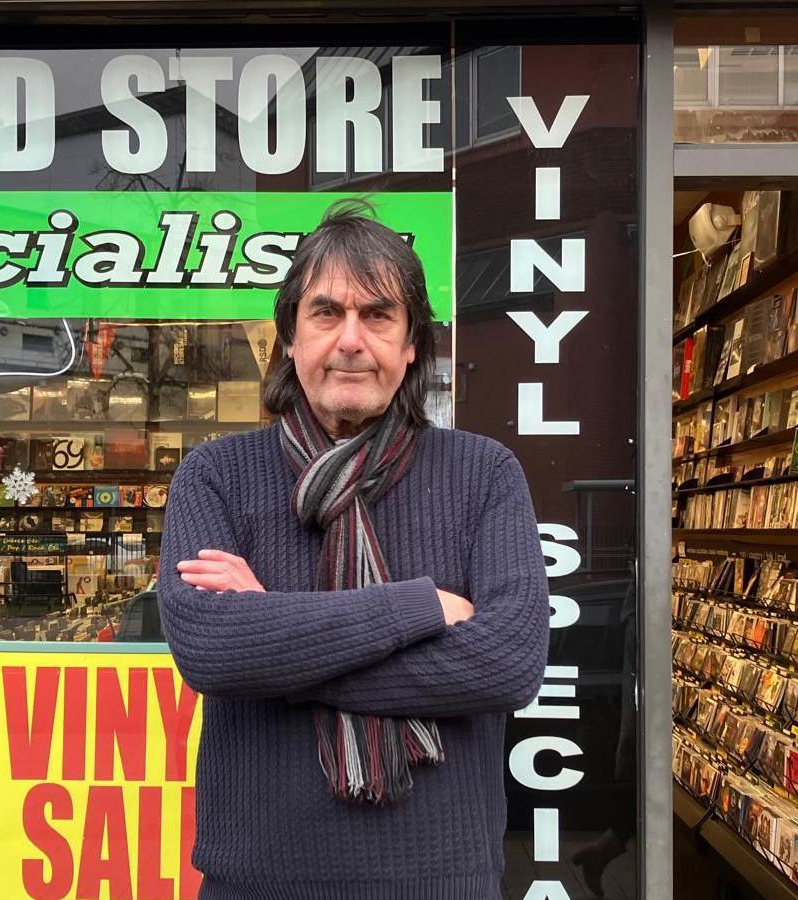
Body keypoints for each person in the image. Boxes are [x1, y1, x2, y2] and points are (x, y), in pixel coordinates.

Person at [158, 199, 549, 899]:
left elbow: (506, 664)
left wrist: (274, 632)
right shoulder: (215, 474)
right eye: (326, 313)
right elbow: (211, 650)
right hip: (257, 881)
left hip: (441, 880)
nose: (351, 340)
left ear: (410, 345)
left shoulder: (484, 473)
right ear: (288, 338)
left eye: (378, 316)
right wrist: (419, 607)